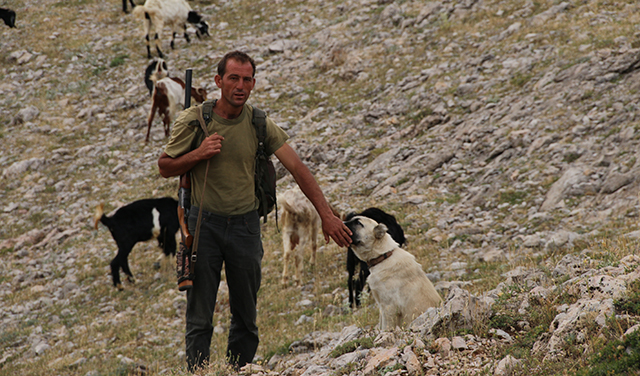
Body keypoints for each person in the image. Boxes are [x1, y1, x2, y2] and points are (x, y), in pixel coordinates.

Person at [157, 50, 352, 372]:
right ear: (219, 81)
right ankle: (199, 372)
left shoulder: (259, 123)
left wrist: (327, 216)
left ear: (254, 83)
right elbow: (165, 167)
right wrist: (199, 154)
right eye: (233, 78)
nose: (240, 86)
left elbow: (299, 169)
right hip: (202, 226)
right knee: (199, 317)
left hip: (246, 228)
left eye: (247, 79)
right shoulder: (194, 120)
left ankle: (240, 370)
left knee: (246, 316)